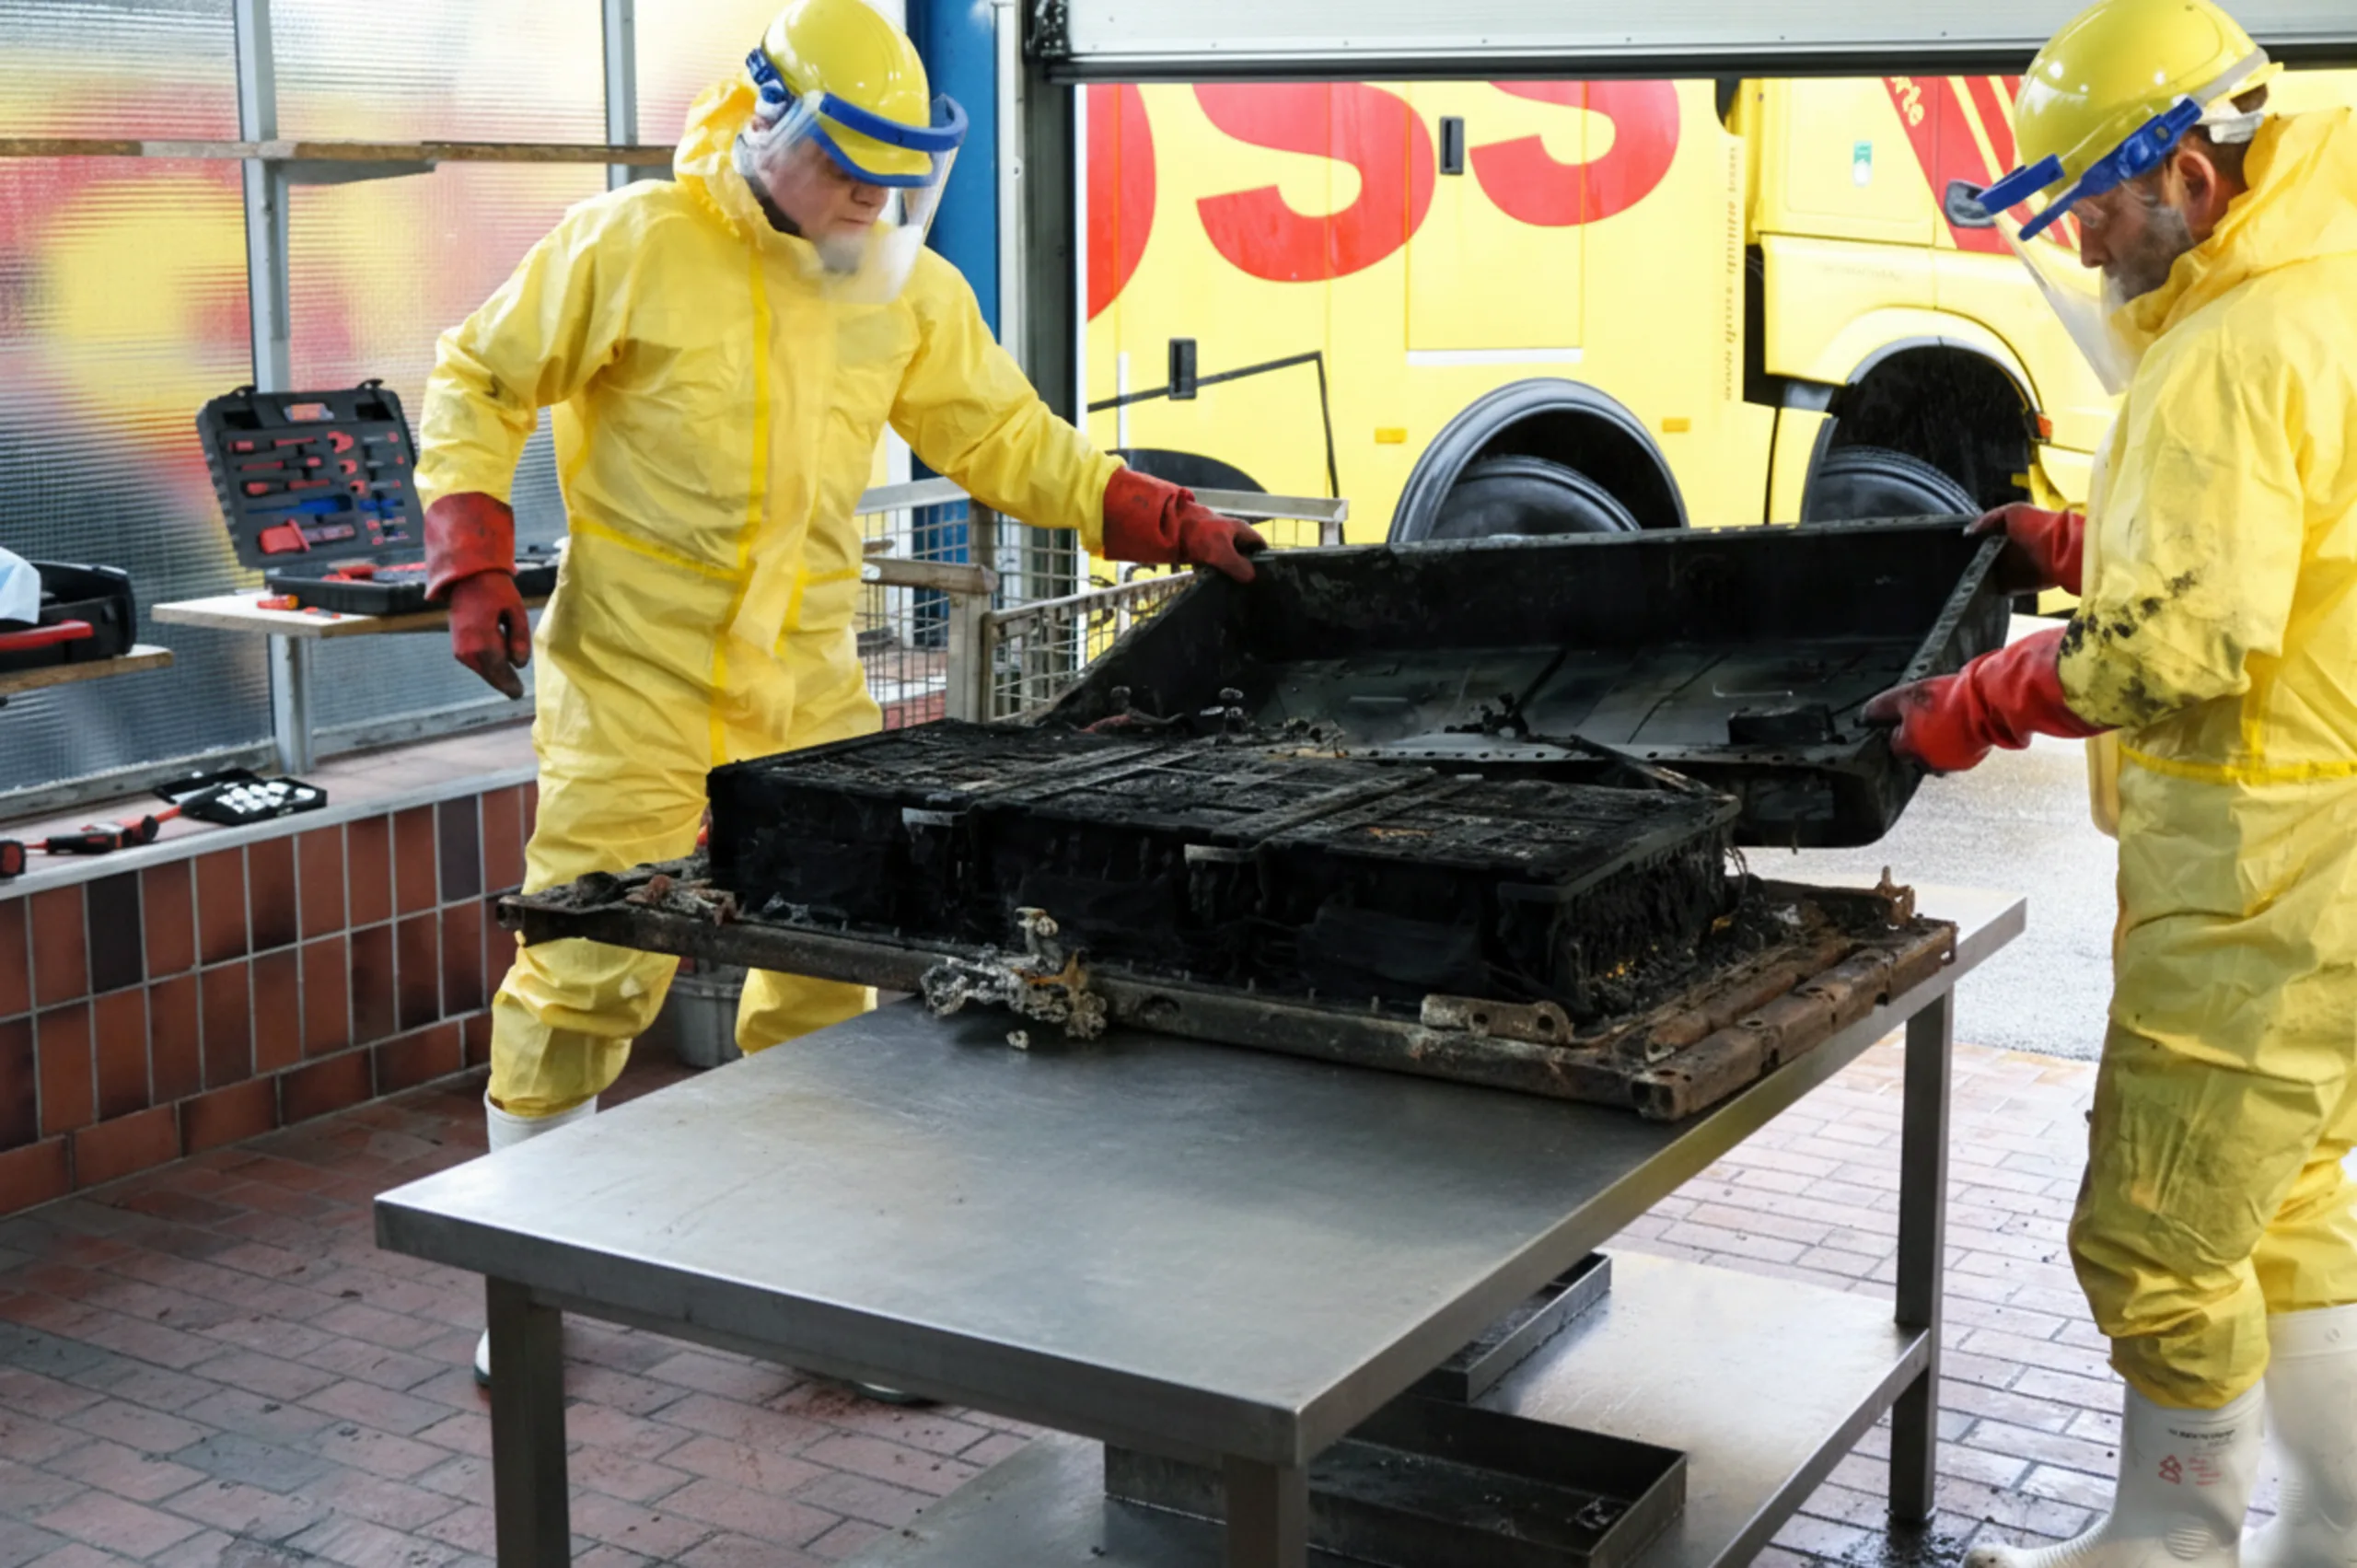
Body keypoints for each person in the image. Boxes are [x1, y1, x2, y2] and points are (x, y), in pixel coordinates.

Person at [415, 0, 1264, 1385]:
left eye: (894, 172)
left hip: (803, 684)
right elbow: (481, 374)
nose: (870, 197)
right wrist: (470, 555)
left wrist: (1161, 513)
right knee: (584, 970)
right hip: (631, 675)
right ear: (769, 124)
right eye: (847, 163)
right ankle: (528, 1287)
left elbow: (1003, 436)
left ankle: (816, 1286)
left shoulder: (901, 288)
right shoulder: (632, 248)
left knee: (826, 979)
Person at [1862, 2, 2357, 1563]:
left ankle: (2172, 1541)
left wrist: (1975, 702)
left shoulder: (2228, 345)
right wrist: (2082, 541)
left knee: (2152, 1230)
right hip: (2329, 837)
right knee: (2282, 1202)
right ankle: (2334, 1520)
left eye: (2094, 200)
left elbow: (2182, 647)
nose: (2081, 243)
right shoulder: (2319, 284)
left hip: (2258, 854)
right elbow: (2300, 536)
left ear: (2194, 178)